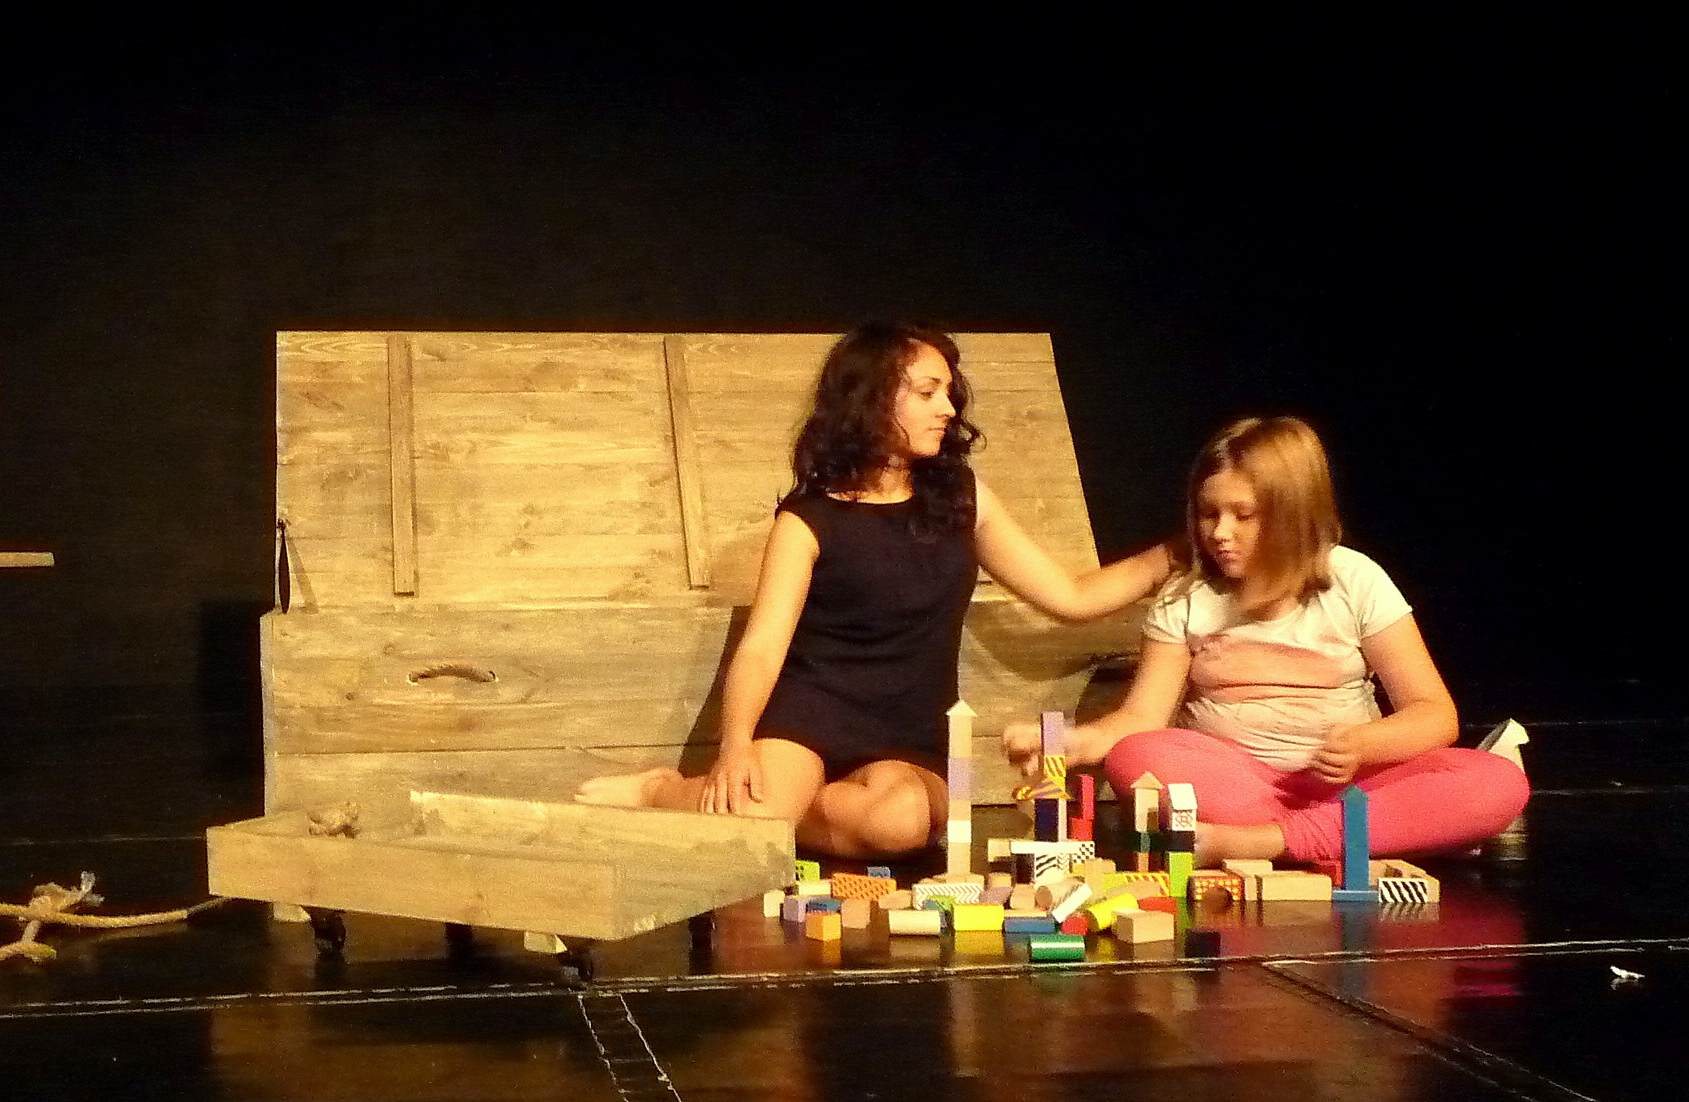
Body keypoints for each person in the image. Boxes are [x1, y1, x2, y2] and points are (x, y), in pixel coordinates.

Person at [574, 322, 1173, 860]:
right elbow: (761, 649)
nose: (947, 408)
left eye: (949, 392)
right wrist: (735, 745)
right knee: (753, 814)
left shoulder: (963, 498)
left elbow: (1071, 596)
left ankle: (785, 810)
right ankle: (664, 791)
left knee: (901, 824)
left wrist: (1175, 554)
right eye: (927, 392)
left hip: (908, 730)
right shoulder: (807, 520)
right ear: (873, 399)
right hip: (811, 713)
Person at [1007, 416, 1526, 865]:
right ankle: (1342, 839)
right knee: (1138, 757)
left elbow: (1434, 714)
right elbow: (1141, 718)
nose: (1220, 532)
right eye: (1209, 514)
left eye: (1244, 515)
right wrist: (1071, 744)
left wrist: (1365, 744)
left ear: (1292, 513)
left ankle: (1269, 842)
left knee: (1497, 782)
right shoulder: (1187, 595)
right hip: (1242, 788)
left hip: (1354, 786)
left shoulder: (1354, 579)